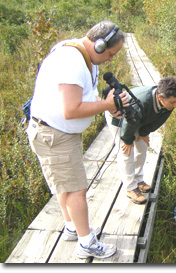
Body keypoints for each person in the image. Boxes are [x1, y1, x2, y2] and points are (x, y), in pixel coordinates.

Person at [26, 21, 128, 259]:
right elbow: (70, 110)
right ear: (100, 45)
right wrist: (106, 104)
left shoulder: (84, 57)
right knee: (76, 189)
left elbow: (83, 96)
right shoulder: (71, 61)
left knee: (66, 184)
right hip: (54, 136)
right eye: (111, 54)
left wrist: (108, 107)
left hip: (59, 134)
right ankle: (86, 243)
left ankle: (73, 226)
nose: (111, 59)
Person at [105, 77, 176, 204]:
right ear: (160, 98)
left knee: (142, 145)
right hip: (120, 118)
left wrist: (144, 133)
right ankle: (130, 187)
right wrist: (127, 140)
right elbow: (128, 125)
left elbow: (158, 120)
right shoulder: (143, 101)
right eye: (173, 102)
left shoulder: (170, 101)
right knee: (126, 152)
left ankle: (138, 178)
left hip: (137, 118)